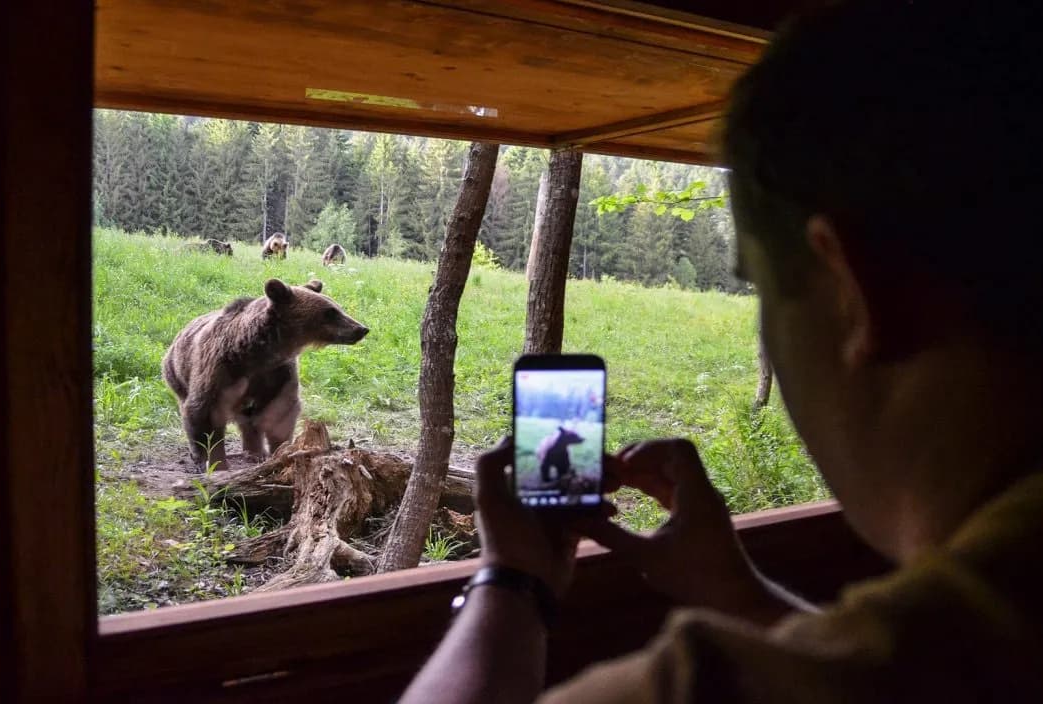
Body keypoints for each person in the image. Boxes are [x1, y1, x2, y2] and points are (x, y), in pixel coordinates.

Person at [399, 1, 1043, 702]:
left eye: (759, 288)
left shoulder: (698, 685)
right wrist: (734, 591)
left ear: (855, 293)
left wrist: (511, 581)